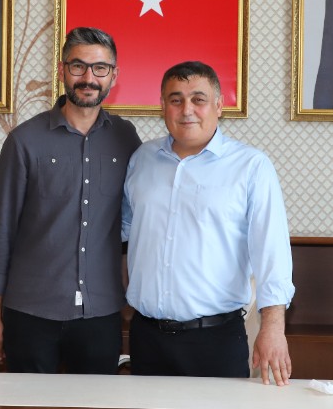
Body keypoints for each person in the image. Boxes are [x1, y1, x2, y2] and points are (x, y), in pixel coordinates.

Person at [122, 61, 295, 386]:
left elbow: (272, 254)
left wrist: (273, 329)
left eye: (198, 99)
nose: (187, 109)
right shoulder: (141, 160)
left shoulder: (251, 166)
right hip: (147, 338)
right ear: (162, 106)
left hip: (215, 341)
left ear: (219, 106)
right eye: (176, 99)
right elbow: (126, 235)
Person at [0, 27, 141, 373]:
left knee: (96, 408)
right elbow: (0, 230)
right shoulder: (24, 141)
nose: (89, 78)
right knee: (27, 408)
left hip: (101, 313)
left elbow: (135, 221)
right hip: (30, 312)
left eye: (100, 68)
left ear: (114, 76)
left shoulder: (126, 139)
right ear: (62, 71)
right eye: (78, 66)